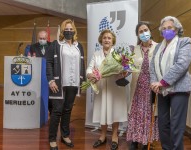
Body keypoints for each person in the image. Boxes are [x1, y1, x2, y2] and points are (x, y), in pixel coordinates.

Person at [150, 16, 191, 150]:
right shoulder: (158, 48)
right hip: (162, 91)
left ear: (177, 29)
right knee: (162, 124)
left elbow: (182, 64)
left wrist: (162, 82)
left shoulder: (184, 42)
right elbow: (152, 67)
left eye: (170, 28)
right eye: (164, 29)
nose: (166, 30)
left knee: (176, 126)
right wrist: (153, 83)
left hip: (179, 89)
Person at [46, 19, 85, 150]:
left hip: (73, 84)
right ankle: (52, 139)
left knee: (67, 110)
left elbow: (82, 64)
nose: (69, 31)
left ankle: (65, 135)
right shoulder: (56, 44)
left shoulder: (79, 46)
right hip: (58, 84)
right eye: (66, 29)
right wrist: (51, 80)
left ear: (74, 30)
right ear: (62, 31)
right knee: (56, 111)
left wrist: (83, 82)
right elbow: (49, 63)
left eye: (71, 29)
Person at [86, 29, 128, 150]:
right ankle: (102, 136)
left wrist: (124, 72)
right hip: (101, 87)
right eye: (105, 38)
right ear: (101, 40)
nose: (107, 40)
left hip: (115, 88)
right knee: (102, 111)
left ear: (113, 40)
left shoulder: (118, 54)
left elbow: (124, 69)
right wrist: (90, 75)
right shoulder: (96, 54)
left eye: (109, 38)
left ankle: (115, 136)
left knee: (115, 110)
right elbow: (89, 69)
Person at [126, 22, 159, 150]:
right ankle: (134, 141)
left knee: (148, 115)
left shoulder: (158, 47)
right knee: (136, 114)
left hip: (151, 88)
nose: (144, 33)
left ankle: (146, 142)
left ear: (150, 31)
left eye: (145, 30)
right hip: (137, 88)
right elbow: (129, 68)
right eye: (141, 31)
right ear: (138, 35)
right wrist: (123, 72)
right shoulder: (134, 49)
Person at [29, 30, 53, 114]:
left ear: (47, 38)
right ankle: (39, 111)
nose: (42, 40)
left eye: (44, 38)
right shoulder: (33, 46)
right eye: (40, 38)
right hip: (38, 73)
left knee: (50, 94)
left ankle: (51, 111)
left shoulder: (52, 46)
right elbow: (30, 58)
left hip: (49, 73)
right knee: (39, 92)